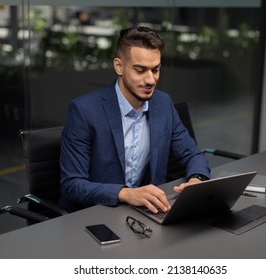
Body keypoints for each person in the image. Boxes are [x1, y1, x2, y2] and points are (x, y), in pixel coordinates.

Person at [59, 26, 210, 213]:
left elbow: (193, 155)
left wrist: (196, 179)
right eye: (140, 70)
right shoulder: (83, 111)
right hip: (96, 214)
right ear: (119, 66)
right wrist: (126, 194)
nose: (151, 80)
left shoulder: (163, 103)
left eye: (156, 70)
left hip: (146, 213)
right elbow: (72, 184)